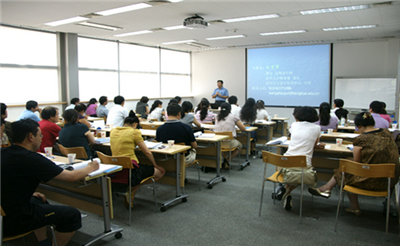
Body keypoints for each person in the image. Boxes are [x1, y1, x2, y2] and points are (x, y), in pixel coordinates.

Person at [1, 119, 99, 246]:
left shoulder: (3, 153)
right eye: (40, 135)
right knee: (72, 215)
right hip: (13, 220)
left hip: (4, 211)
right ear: (31, 137)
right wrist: (90, 167)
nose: (41, 138)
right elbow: (71, 176)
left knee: (38, 200)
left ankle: (43, 242)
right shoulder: (32, 159)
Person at [309, 112, 399, 216]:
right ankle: (327, 188)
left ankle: (352, 205)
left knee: (346, 167)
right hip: (390, 180)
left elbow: (357, 162)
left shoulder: (361, 140)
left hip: (369, 181)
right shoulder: (387, 133)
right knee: (347, 163)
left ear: (359, 126)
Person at [110, 111, 165, 208]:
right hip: (132, 169)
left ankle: (133, 188)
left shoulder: (113, 131)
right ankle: (134, 187)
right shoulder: (134, 132)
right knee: (161, 171)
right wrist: (155, 165)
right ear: (135, 124)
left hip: (117, 168)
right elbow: (147, 152)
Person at [280, 106, 325, 210]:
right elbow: (313, 145)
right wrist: (319, 145)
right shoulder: (317, 128)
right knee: (300, 175)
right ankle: (287, 191)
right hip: (303, 164)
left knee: (292, 174)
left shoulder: (294, 125)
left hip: (285, 162)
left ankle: (286, 191)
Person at [214, 102, 247, 167]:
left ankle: (225, 160)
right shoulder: (233, 116)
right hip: (229, 142)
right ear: (230, 109)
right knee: (239, 146)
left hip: (218, 142)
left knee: (224, 148)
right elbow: (243, 128)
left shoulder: (217, 116)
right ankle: (227, 161)